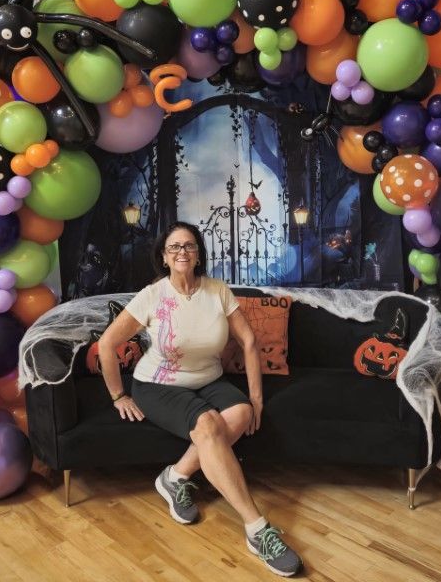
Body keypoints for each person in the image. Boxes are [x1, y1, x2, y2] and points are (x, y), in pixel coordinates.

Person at [96, 221, 302, 577]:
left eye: (189, 246)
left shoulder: (217, 291)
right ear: (163, 256)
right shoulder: (152, 296)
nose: (182, 252)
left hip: (208, 379)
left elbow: (249, 342)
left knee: (238, 413)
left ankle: (175, 477)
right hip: (159, 385)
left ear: (198, 254)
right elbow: (105, 344)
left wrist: (256, 399)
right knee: (208, 426)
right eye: (174, 247)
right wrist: (118, 395)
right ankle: (257, 530)